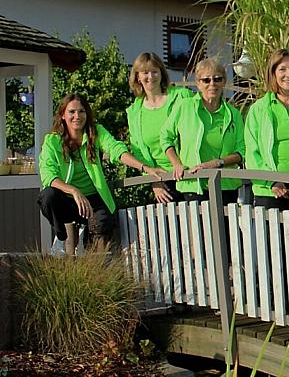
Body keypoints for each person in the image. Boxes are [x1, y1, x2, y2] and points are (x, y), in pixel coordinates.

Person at [38, 93, 162, 252]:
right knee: (47, 196)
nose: (77, 116)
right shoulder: (52, 141)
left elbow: (116, 149)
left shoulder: (96, 132)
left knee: (102, 225)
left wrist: (144, 167)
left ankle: (95, 264)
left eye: (81, 111)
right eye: (72, 112)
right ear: (62, 115)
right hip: (67, 199)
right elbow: (48, 175)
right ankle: (61, 235)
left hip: (93, 198)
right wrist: (74, 190)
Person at [160, 58, 244, 204]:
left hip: (226, 186)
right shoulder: (184, 107)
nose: (212, 84)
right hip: (193, 185)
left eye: (217, 79)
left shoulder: (233, 113)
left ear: (224, 82)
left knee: (225, 227)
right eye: (206, 80)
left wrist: (218, 162)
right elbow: (165, 137)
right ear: (198, 84)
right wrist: (176, 163)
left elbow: (242, 150)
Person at [244, 49, 289, 211]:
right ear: (273, 73)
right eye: (282, 69)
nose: (288, 74)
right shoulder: (259, 109)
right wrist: (271, 181)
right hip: (269, 189)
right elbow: (251, 152)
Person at [127, 52, 192, 204]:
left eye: (155, 71)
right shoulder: (134, 112)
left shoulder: (182, 97)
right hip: (162, 181)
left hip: (189, 173)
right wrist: (153, 181)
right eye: (145, 72)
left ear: (161, 74)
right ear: (137, 77)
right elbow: (138, 151)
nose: (151, 76)